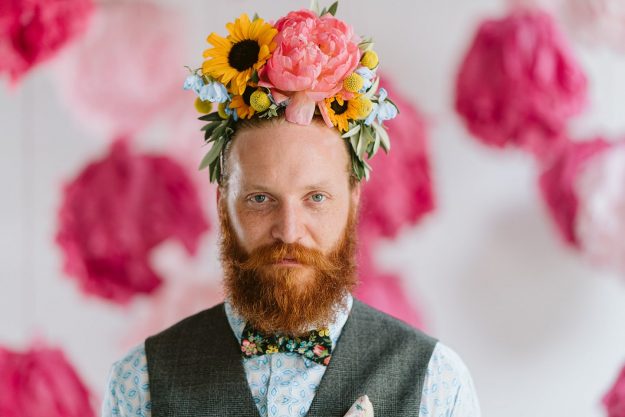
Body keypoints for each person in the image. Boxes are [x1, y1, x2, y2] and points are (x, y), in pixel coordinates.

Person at [102, 4, 481, 417]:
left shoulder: (436, 384)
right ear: (222, 203)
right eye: (260, 199)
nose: (289, 230)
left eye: (316, 198)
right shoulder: (140, 384)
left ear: (353, 202)